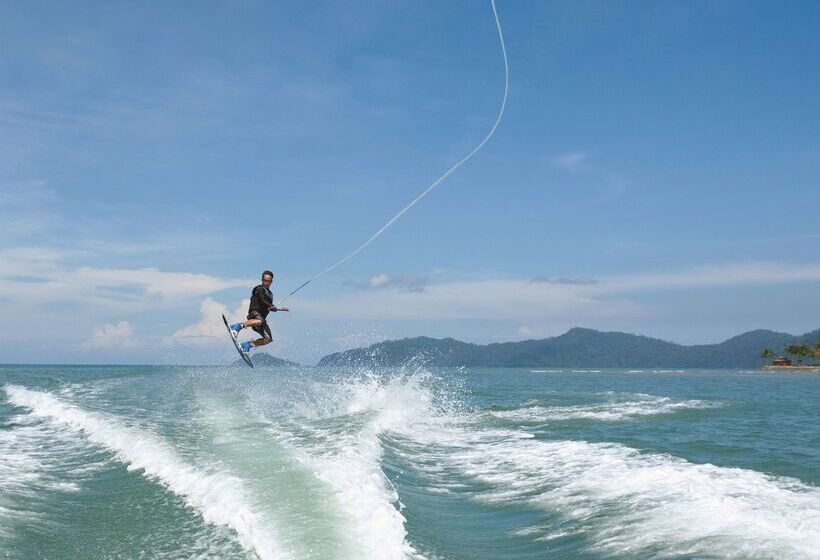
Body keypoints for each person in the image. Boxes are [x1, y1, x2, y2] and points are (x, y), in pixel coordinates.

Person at [228, 270, 288, 354]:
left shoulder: (270, 294)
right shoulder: (259, 288)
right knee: (260, 320)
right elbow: (262, 299)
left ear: (271, 282)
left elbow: (267, 306)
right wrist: (270, 306)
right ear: (262, 280)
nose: (266, 282)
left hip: (261, 320)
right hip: (254, 313)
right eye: (265, 281)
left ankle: (247, 345)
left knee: (268, 339)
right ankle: (236, 327)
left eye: (268, 281)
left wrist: (272, 308)